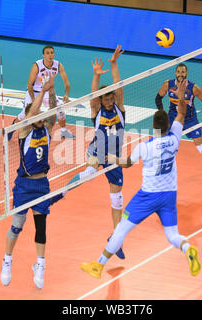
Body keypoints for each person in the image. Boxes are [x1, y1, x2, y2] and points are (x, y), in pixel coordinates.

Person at [81, 79, 201, 279]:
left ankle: (98, 265)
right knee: (173, 236)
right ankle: (187, 248)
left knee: (121, 229)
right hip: (170, 195)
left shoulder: (145, 147)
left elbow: (127, 163)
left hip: (147, 197)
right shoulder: (175, 139)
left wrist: (111, 158)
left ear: (153, 126)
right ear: (168, 125)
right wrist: (181, 95)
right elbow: (181, 113)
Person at [0, 73, 62, 290]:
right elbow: (32, 112)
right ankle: (7, 261)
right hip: (24, 185)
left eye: (39, 115)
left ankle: (40, 265)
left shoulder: (46, 127)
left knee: (41, 228)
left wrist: (52, 90)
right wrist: (42, 91)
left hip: (42, 185)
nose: (39, 117)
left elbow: (52, 111)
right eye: (34, 114)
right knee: (17, 225)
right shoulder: (24, 130)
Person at [66, 45, 127, 259]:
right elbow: (93, 95)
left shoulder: (120, 108)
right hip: (96, 150)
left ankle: (116, 239)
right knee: (90, 173)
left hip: (114, 158)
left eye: (110, 98)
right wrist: (95, 75)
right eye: (106, 99)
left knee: (117, 200)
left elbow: (119, 86)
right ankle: (63, 190)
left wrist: (114, 64)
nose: (109, 101)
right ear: (102, 101)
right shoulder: (97, 110)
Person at [155, 63, 202, 181]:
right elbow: (158, 98)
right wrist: (162, 114)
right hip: (173, 117)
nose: (180, 74)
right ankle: (162, 172)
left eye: (183, 72)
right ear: (175, 73)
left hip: (190, 120)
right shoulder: (167, 85)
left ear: (186, 74)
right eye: (178, 72)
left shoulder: (193, 88)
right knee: (161, 143)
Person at [15, 45, 75, 139]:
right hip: (34, 92)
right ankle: (12, 126)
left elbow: (67, 83)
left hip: (47, 92)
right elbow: (30, 85)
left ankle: (63, 131)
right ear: (43, 55)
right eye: (47, 53)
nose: (50, 55)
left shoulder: (58, 65)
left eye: (52, 53)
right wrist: (34, 100)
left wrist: (66, 95)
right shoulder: (37, 66)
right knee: (25, 115)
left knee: (60, 110)